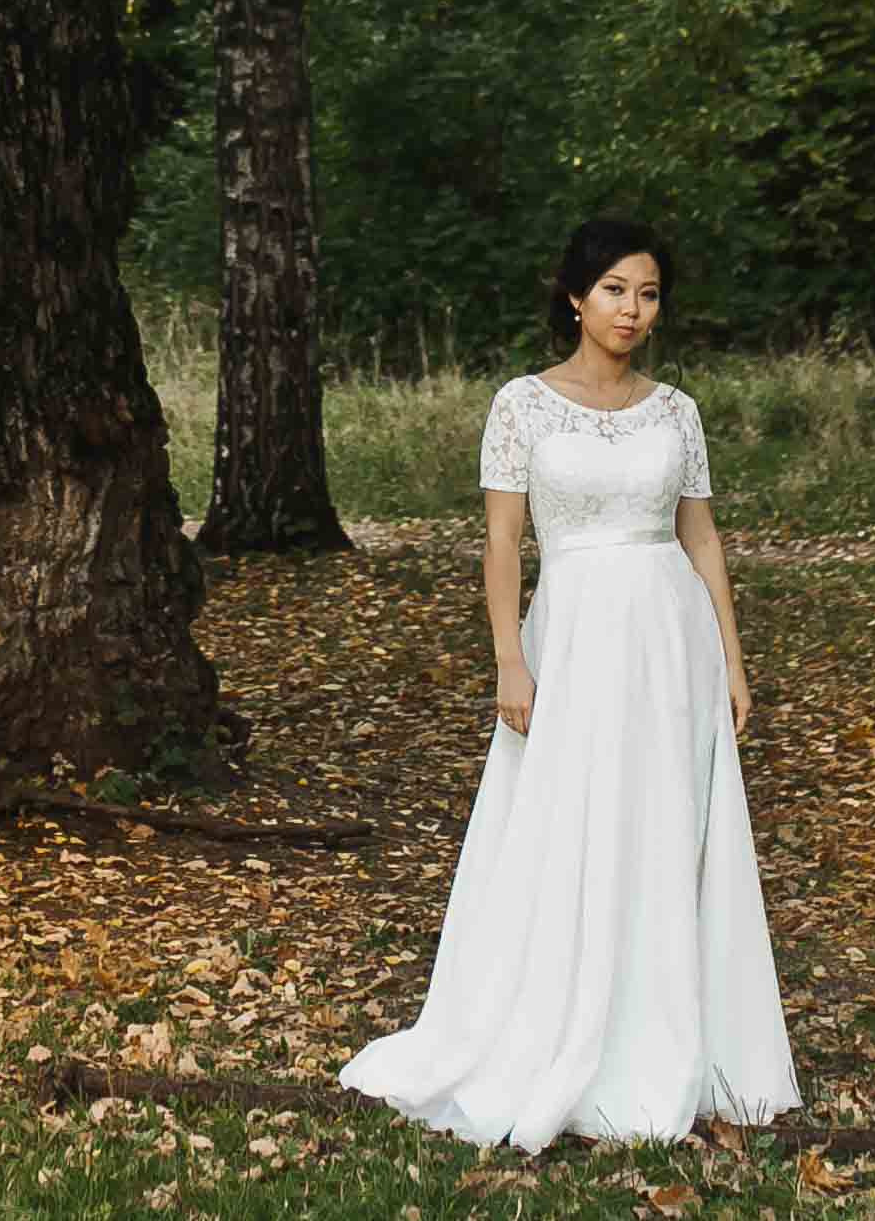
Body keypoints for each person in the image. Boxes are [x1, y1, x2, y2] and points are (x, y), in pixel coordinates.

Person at [338, 219, 802, 1153]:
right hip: (575, 630)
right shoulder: (522, 405)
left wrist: (735, 656)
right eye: (617, 290)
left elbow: (701, 537)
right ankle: (555, 1017)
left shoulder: (677, 409)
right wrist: (511, 656)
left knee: (667, 819)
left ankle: (672, 1027)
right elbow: (504, 541)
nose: (634, 310)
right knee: (566, 816)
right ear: (576, 297)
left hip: (669, 635)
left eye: (651, 293)